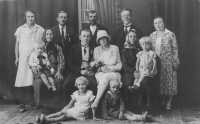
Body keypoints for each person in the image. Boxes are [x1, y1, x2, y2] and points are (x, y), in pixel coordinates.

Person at [14, 10, 44, 112]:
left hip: (35, 58)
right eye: (28, 16)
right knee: (23, 81)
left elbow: (43, 44)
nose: (30, 18)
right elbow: (17, 44)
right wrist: (17, 57)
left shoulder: (40, 29)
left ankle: (34, 102)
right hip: (23, 58)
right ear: (25, 18)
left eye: (32, 16)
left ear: (35, 17)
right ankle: (22, 103)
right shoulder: (20, 29)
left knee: (34, 80)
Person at [121, 30, 156, 114]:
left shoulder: (141, 48)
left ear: (137, 38)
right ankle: (131, 108)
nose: (132, 38)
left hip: (143, 70)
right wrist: (134, 72)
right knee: (128, 82)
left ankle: (144, 107)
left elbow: (151, 60)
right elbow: (125, 66)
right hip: (130, 71)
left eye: (134, 37)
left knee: (145, 82)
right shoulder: (124, 50)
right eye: (130, 37)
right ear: (127, 38)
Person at [150, 16, 180, 112]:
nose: (158, 25)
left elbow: (175, 49)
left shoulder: (170, 34)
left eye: (159, 22)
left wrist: (175, 61)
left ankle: (168, 104)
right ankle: (162, 102)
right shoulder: (152, 35)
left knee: (169, 83)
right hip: (156, 63)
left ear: (164, 23)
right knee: (160, 83)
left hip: (168, 62)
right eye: (155, 23)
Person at [32, 28, 65, 112]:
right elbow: (32, 58)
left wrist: (59, 71)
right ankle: (43, 105)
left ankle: (55, 106)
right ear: (44, 35)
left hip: (54, 69)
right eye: (47, 34)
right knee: (39, 82)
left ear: (53, 35)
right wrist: (34, 67)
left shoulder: (57, 47)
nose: (49, 36)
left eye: (51, 34)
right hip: (41, 70)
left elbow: (61, 60)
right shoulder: (40, 46)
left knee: (58, 81)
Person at [62, 29, 97, 106]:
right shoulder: (74, 48)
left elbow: (96, 61)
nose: (86, 38)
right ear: (80, 37)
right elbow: (70, 63)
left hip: (88, 72)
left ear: (91, 38)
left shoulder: (94, 48)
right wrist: (80, 71)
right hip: (76, 72)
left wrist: (91, 69)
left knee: (94, 84)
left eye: (88, 36)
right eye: (84, 36)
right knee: (66, 85)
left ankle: (91, 108)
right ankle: (67, 107)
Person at [91, 30, 122, 112]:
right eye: (100, 39)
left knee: (106, 77)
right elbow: (95, 65)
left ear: (108, 39)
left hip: (113, 72)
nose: (103, 40)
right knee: (104, 77)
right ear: (98, 41)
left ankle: (96, 102)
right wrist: (101, 69)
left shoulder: (115, 48)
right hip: (101, 72)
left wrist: (112, 68)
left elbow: (119, 63)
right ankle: (101, 106)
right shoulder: (96, 50)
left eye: (104, 38)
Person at [52, 11, 77, 75]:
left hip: (69, 59)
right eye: (61, 17)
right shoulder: (53, 30)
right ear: (57, 19)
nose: (63, 19)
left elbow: (74, 46)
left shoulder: (72, 31)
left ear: (67, 19)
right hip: (57, 59)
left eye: (65, 17)